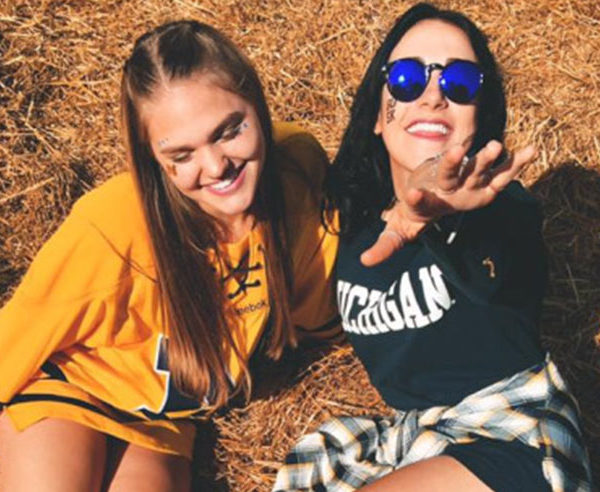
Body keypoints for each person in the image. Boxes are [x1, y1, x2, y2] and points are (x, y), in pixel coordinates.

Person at [0, 20, 344, 491]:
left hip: (160, 424)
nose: (216, 166)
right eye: (182, 155)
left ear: (257, 105)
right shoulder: (111, 225)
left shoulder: (296, 171)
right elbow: (15, 337)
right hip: (71, 391)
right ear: (153, 161)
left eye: (229, 131)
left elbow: (330, 301)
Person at [273, 3, 591, 491]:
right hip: (413, 441)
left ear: (480, 118)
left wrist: (437, 215)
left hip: (510, 435)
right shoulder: (351, 227)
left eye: (460, 82)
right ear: (376, 115)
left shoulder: (499, 209)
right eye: (406, 78)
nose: (433, 95)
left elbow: (499, 253)